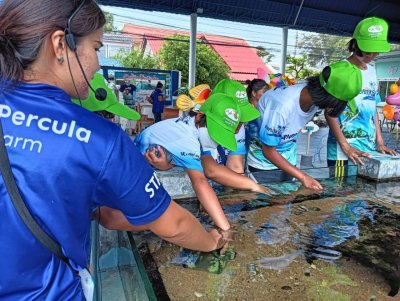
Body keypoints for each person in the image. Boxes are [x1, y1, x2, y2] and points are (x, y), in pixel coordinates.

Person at [0, 1, 224, 299]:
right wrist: (212, 242)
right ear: (59, 44)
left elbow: (103, 213)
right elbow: (174, 224)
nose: (96, 64)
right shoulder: (97, 138)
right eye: (95, 48)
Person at [135, 93, 270, 238]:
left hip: (160, 175)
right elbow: (200, 182)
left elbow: (212, 168)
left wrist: (253, 185)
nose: (216, 140)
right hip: (139, 183)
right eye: (215, 134)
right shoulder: (187, 138)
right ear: (200, 116)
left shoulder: (196, 127)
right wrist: (226, 229)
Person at [246, 61, 362, 190]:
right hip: (263, 165)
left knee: (286, 204)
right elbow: (268, 151)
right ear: (327, 98)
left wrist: (345, 145)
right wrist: (303, 177)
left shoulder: (311, 95)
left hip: (289, 159)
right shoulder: (282, 106)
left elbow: (330, 114)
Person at [326, 17, 398, 173]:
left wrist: (380, 141)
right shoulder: (340, 70)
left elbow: (373, 110)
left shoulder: (372, 71)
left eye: (375, 49)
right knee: (341, 192)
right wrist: (346, 146)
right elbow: (330, 112)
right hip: (343, 153)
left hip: (369, 148)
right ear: (355, 44)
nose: (371, 54)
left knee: (362, 192)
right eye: (367, 48)